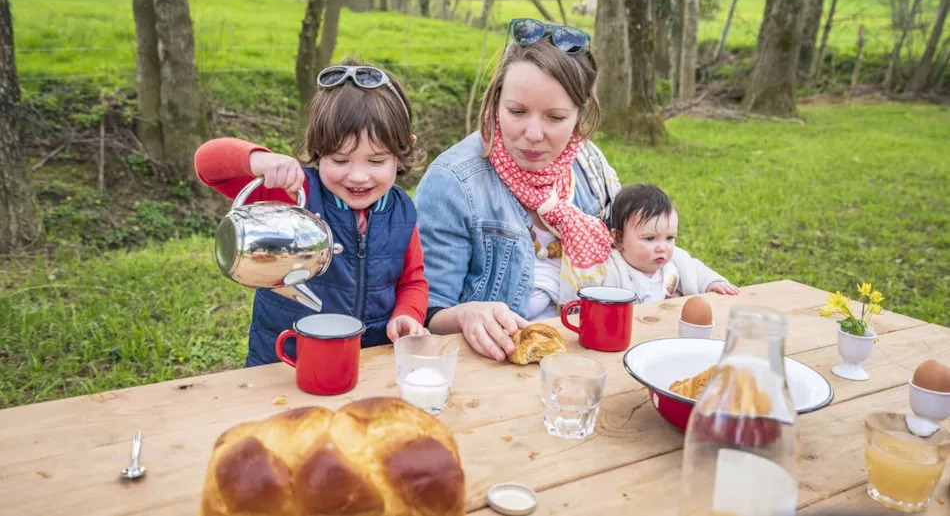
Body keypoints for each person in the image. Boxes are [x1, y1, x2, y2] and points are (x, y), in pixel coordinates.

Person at [194, 60, 429, 366]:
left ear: (402, 153)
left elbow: (413, 281)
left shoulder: (402, 211)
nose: (358, 176)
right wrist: (258, 161)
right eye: (340, 160)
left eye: (376, 161)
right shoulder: (295, 194)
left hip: (369, 364)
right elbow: (207, 164)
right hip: (286, 362)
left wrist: (407, 314)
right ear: (318, 149)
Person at [413, 18, 622, 362]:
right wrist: (467, 315)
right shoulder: (453, 182)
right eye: (517, 111)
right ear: (496, 101)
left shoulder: (588, 167)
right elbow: (426, 312)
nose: (534, 133)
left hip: (582, 359)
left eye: (555, 118)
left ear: (581, 110)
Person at [603, 183, 739, 303]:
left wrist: (712, 283)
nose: (662, 247)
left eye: (669, 238)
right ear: (618, 239)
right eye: (650, 238)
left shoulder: (675, 262)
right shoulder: (613, 271)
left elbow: (696, 270)